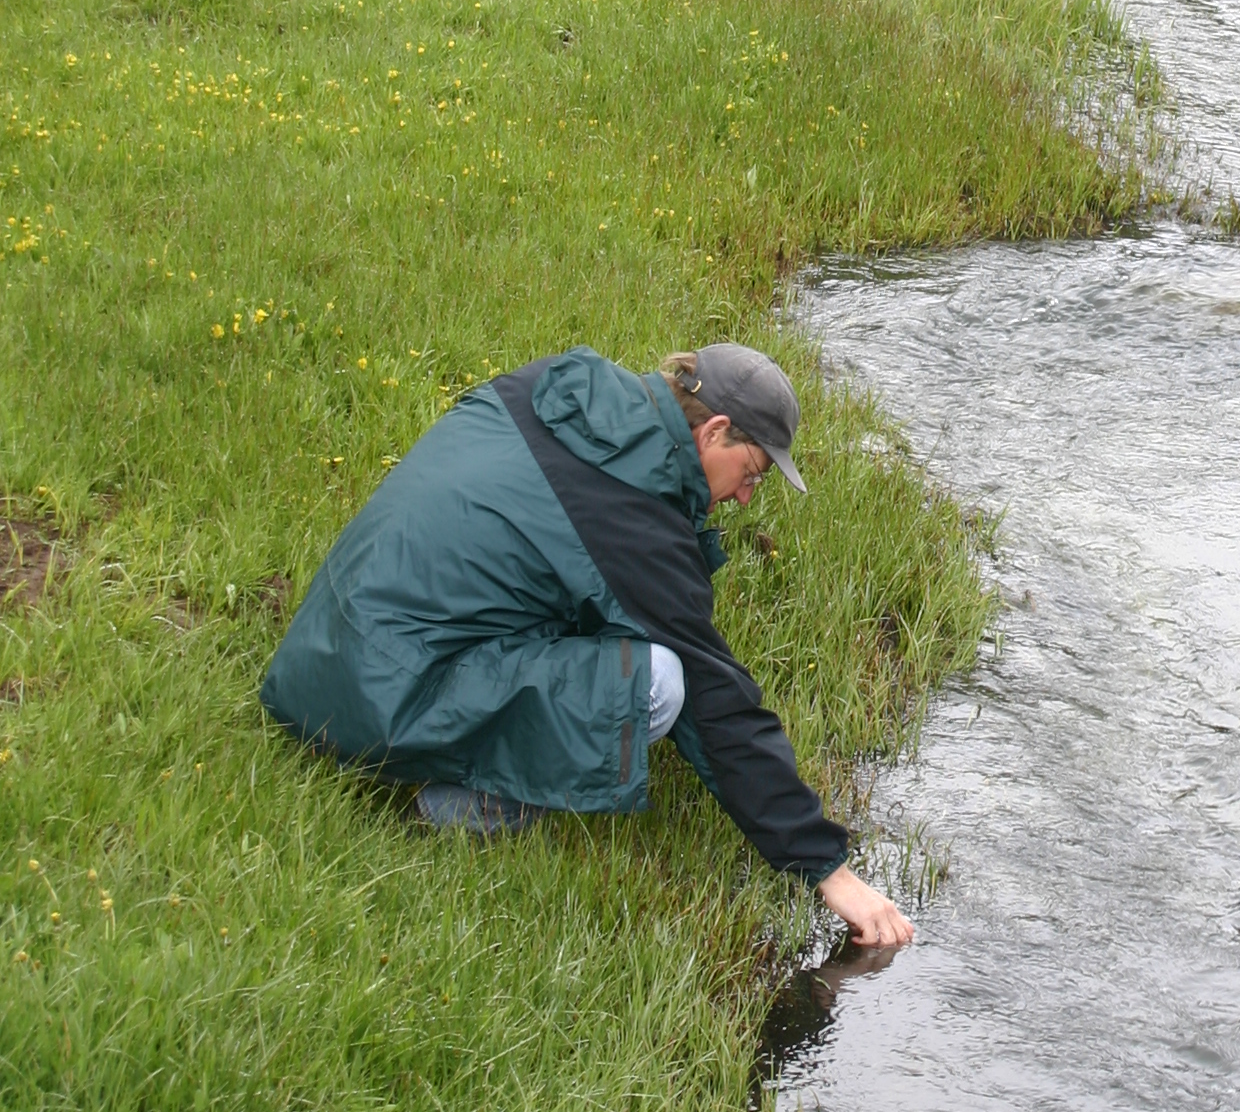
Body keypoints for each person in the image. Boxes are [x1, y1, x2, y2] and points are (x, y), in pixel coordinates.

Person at [259, 341, 914, 948]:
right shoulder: (629, 515)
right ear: (713, 432)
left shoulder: (550, 390)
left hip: (327, 653)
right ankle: (451, 810)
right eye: (752, 473)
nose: (745, 498)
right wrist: (827, 869)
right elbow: (717, 706)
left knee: (597, 617)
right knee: (659, 680)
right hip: (382, 703)